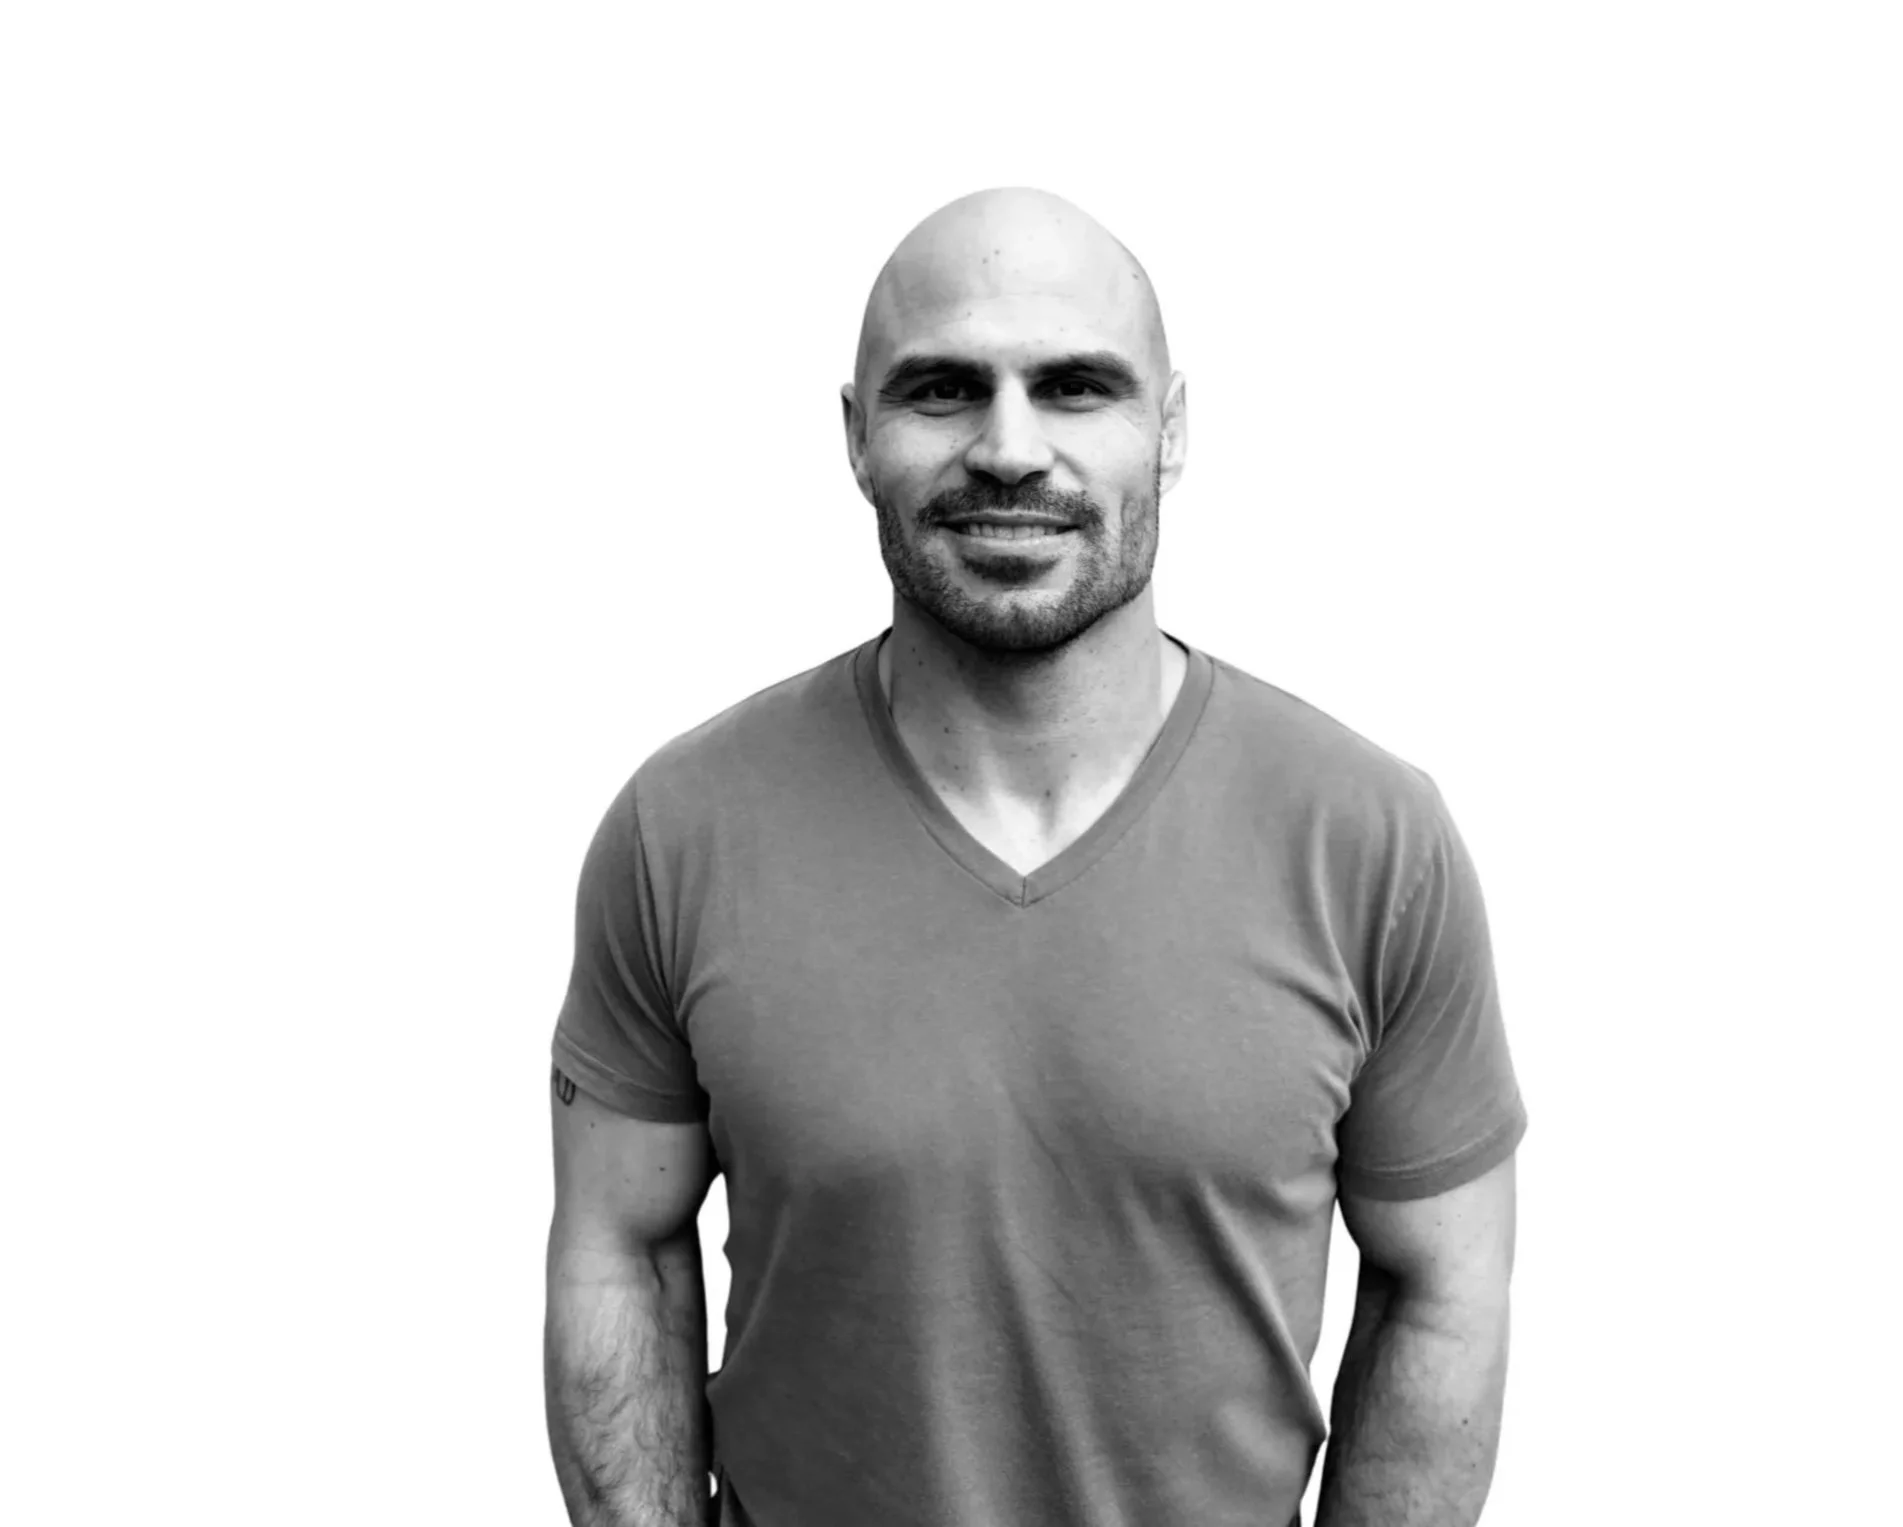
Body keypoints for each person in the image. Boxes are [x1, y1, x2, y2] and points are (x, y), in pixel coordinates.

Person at [543, 186, 1527, 1527]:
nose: (1009, 450)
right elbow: (623, 1250)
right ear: (856, 436)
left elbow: (1443, 1284)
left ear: (1170, 430)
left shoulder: (1370, 839)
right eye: (943, 390)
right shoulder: (680, 830)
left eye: (1075, 387)